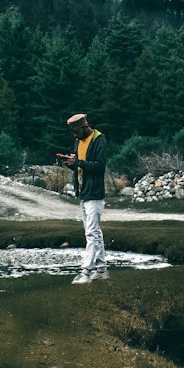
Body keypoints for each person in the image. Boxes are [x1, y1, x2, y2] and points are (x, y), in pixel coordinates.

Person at [58, 113, 107, 284]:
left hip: (95, 194)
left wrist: (77, 162)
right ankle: (101, 269)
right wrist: (70, 163)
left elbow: (100, 166)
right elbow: (81, 168)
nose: (74, 135)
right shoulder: (78, 142)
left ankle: (85, 272)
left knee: (92, 233)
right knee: (95, 233)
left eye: (76, 132)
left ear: (85, 128)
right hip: (84, 193)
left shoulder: (99, 140)